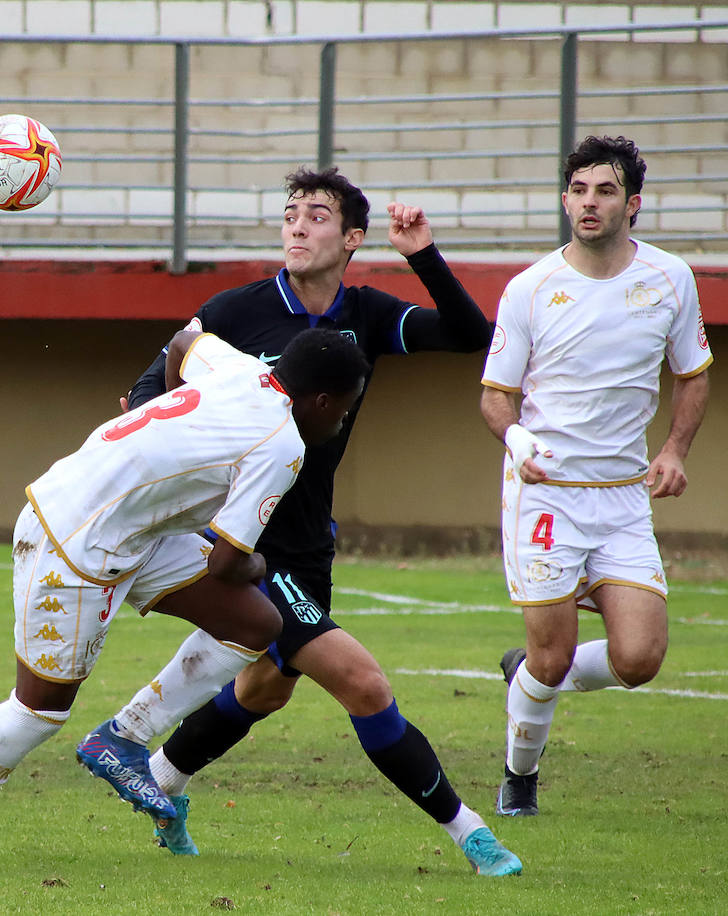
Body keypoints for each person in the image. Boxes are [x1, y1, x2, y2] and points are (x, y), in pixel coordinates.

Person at [88, 167, 522, 877]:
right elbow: (149, 385)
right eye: (290, 214)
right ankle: (471, 834)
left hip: (309, 540)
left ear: (352, 237)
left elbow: (471, 334)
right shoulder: (234, 310)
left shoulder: (370, 313)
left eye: (316, 216)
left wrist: (422, 256)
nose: (296, 226)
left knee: (267, 685)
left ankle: (163, 780)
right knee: (363, 683)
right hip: (242, 537)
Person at [0, 327, 370, 870]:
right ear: (321, 400)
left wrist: (154, 418)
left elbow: (184, 342)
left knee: (255, 623)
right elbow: (229, 563)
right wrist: (261, 561)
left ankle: (123, 737)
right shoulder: (284, 445)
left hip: (126, 527)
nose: (343, 421)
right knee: (39, 711)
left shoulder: (244, 369)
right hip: (74, 541)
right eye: (345, 409)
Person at [480, 135, 712, 816]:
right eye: (578, 189)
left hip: (622, 498)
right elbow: (495, 394)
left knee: (639, 658)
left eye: (605, 190)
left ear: (632, 204)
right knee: (552, 661)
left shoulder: (671, 279)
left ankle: (522, 677)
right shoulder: (530, 288)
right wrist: (519, 436)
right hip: (544, 495)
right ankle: (520, 777)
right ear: (564, 199)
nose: (589, 202)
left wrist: (673, 451)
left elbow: (692, 374)